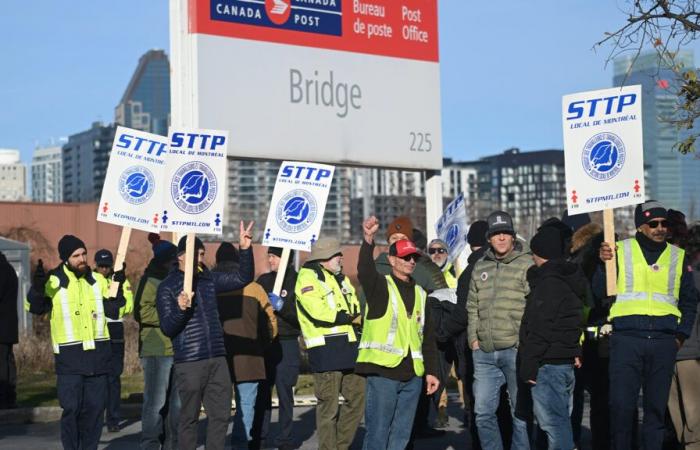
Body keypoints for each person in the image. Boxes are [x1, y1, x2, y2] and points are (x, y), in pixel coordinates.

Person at [598, 201, 699, 450]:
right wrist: (603, 265)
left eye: (664, 223)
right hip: (627, 340)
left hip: (664, 341)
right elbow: (598, 291)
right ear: (640, 227)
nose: (660, 228)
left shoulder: (677, 256)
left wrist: (680, 336)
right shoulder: (618, 250)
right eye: (653, 224)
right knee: (621, 409)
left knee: (655, 412)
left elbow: (689, 301)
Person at [157, 222, 255, 450]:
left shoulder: (209, 280)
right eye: (196, 254)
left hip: (217, 359)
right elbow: (168, 328)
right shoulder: (167, 287)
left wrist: (245, 249)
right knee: (189, 419)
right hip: (190, 362)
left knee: (220, 416)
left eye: (202, 254)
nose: (200, 259)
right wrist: (181, 309)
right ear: (181, 256)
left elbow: (243, 278)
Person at [25, 234, 126, 450]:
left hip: (98, 358)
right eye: (76, 255)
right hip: (70, 361)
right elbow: (33, 307)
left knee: (95, 412)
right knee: (72, 411)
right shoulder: (54, 281)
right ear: (65, 258)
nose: (82, 259)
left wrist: (118, 287)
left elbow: (117, 310)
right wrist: (37, 289)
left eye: (83, 254)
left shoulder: (97, 280)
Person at [356, 216, 440, 450]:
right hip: (383, 374)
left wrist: (432, 372)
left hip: (412, 376)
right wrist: (368, 239)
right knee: (378, 435)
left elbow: (428, 338)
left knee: (401, 437)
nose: (410, 261)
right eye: (404, 257)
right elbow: (364, 271)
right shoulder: (380, 286)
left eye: (413, 257)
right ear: (391, 260)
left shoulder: (421, 294)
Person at [467, 211, 532, 450]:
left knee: (521, 414)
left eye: (506, 233)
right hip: (484, 353)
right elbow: (472, 305)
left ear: (513, 236)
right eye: (496, 234)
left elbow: (534, 305)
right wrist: (473, 339)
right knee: (482, 413)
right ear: (489, 238)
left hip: (515, 351)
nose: (501, 238)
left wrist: (523, 343)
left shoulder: (527, 263)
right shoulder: (480, 266)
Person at [295, 237, 364, 450]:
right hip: (325, 351)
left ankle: (340, 446)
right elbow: (318, 311)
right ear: (324, 258)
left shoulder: (340, 279)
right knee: (329, 409)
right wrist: (349, 318)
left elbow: (354, 307)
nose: (341, 258)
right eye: (337, 254)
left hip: (349, 348)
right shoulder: (308, 277)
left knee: (358, 399)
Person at [519, 227, 586, 449]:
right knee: (560, 421)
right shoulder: (568, 279)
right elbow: (572, 320)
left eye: (533, 253)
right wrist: (575, 349)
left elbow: (540, 327)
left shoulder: (549, 284)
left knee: (554, 425)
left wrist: (529, 364)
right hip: (564, 360)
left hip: (549, 363)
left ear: (540, 253)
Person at [214, 241, 276, 450]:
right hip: (250, 356)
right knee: (246, 407)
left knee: (218, 409)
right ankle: (240, 445)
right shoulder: (255, 288)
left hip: (218, 356)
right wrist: (263, 345)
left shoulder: (210, 285)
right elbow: (270, 323)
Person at [135, 234, 180, 450]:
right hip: (156, 348)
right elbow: (141, 312)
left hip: (176, 347)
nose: (177, 262)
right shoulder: (150, 281)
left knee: (176, 403)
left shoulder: (175, 280)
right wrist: (169, 318)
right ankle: (150, 444)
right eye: (174, 259)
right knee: (155, 403)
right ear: (165, 260)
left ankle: (173, 443)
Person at [257, 247, 301, 450]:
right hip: (266, 342)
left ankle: (285, 438)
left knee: (285, 392)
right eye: (269, 256)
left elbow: (301, 318)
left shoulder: (298, 280)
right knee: (263, 391)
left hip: (288, 341)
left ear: (285, 259)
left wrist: (284, 308)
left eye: (274, 256)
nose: (270, 260)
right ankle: (261, 436)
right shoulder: (263, 281)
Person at [92, 249, 134, 432]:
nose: (103, 269)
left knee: (114, 378)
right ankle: (94, 417)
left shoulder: (121, 280)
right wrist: (112, 303)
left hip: (115, 330)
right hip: (98, 331)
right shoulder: (91, 280)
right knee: (97, 378)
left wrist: (119, 285)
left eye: (106, 266)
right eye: (100, 266)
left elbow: (127, 307)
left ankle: (113, 419)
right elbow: (99, 306)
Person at [668, 223, 700, 449]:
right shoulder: (692, 273)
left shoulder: (678, 269)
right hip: (690, 351)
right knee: (694, 420)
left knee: (681, 418)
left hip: (671, 348)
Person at [426, 238, 459, 429]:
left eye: (441, 250)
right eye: (432, 251)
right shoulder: (425, 275)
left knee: (461, 376)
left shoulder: (456, 272)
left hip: (458, 331)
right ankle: (441, 410)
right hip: (438, 333)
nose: (437, 254)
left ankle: (470, 412)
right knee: (440, 374)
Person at [0, 250, 18, 410]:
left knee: (2, 364)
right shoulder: (8, 269)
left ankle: (4, 398)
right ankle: (9, 398)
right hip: (8, 326)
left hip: (3, 327)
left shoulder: (2, 270)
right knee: (7, 362)